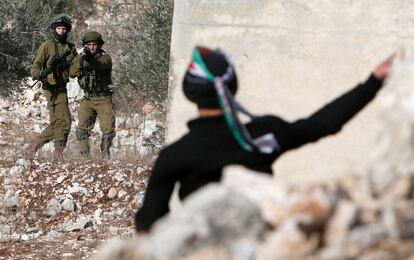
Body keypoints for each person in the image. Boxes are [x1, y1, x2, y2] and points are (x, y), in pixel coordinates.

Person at [134, 46, 394, 232]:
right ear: (233, 86)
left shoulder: (176, 155)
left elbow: (149, 222)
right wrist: (373, 82)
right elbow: (322, 124)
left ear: (190, 92)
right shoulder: (262, 136)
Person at [28, 14, 77, 161]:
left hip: (62, 86)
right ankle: (58, 152)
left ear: (67, 30)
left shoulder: (70, 48)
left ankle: (33, 147)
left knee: (57, 122)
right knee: (65, 122)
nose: (61, 31)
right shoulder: (47, 46)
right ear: (54, 29)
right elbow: (36, 66)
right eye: (59, 28)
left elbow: (75, 69)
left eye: (63, 29)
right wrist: (40, 74)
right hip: (51, 88)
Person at [69, 30, 115, 160]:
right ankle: (85, 157)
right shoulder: (81, 57)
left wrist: (90, 59)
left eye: (94, 44)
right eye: (88, 45)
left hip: (103, 98)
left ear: (99, 45)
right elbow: (72, 73)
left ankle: (105, 154)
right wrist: (80, 58)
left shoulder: (105, 57)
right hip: (88, 98)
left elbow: (100, 65)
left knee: (108, 129)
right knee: (82, 129)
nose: (91, 47)